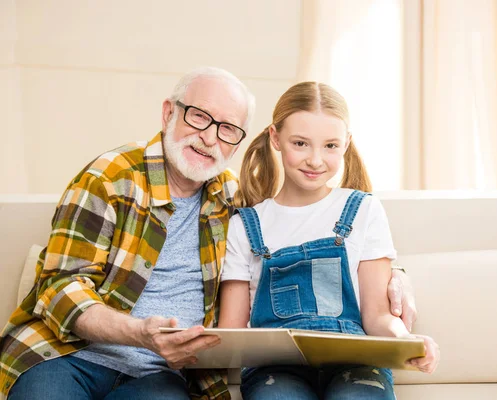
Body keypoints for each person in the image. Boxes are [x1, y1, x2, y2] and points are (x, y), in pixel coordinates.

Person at [0, 68, 418, 400]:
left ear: (238, 142)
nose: (208, 138)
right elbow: (57, 288)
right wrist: (139, 333)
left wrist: (392, 276)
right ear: (169, 112)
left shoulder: (231, 197)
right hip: (67, 355)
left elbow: (306, 234)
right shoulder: (110, 178)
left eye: (227, 129)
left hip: (162, 374)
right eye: (199, 116)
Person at [218, 82, 440, 400]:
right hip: (274, 369)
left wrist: (406, 339)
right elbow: (232, 332)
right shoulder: (245, 224)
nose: (315, 160)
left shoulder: (363, 209)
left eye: (330, 146)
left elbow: (377, 315)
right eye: (301, 143)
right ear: (275, 138)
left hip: (357, 361)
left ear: (346, 143)